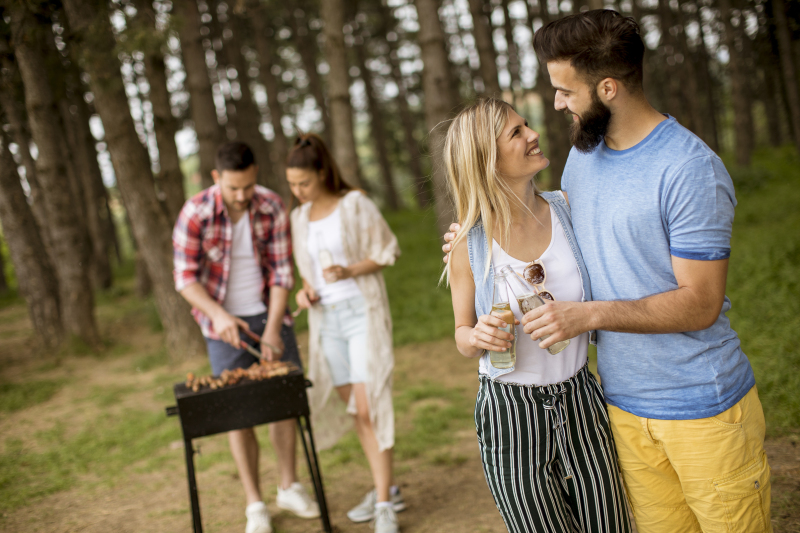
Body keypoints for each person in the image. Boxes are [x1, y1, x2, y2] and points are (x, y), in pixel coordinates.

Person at [443, 10, 772, 533]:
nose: (555, 105)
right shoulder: (583, 158)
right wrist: (472, 241)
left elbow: (701, 303)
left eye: (565, 91)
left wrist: (585, 315)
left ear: (608, 88)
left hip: (700, 406)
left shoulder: (689, 169)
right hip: (617, 407)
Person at [444, 97, 632, 533]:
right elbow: (461, 335)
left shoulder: (569, 209)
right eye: (516, 132)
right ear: (486, 159)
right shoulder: (467, 245)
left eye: (525, 124)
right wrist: (478, 337)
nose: (533, 134)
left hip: (582, 399)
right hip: (511, 414)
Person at [173, 142, 319, 533]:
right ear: (217, 178)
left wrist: (273, 328)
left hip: (269, 314)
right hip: (221, 325)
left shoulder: (271, 205)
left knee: (283, 402)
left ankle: (289, 485)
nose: (242, 196)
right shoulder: (195, 212)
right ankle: (255, 504)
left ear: (256, 175)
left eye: (248, 187)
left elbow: (281, 272)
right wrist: (219, 315)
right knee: (239, 412)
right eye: (234, 188)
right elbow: (184, 278)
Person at [285, 134, 404, 533]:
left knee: (369, 408)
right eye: (292, 185)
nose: (297, 191)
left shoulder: (354, 204)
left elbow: (388, 249)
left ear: (321, 173)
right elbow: (306, 271)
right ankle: (384, 483)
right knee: (357, 411)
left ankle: (385, 502)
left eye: (303, 183)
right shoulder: (298, 218)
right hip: (326, 321)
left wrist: (349, 270)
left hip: (360, 313)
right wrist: (305, 290)